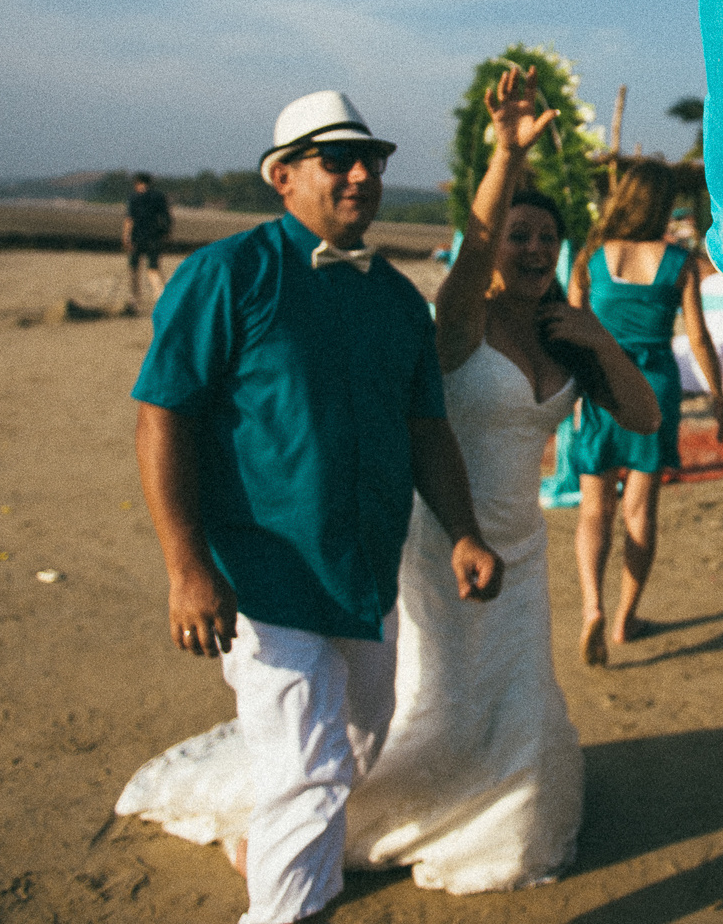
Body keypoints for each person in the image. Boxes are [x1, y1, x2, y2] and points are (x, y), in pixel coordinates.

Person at [126, 90, 503, 924]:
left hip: (365, 575)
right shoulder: (229, 274)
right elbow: (163, 415)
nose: (362, 174)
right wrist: (187, 568)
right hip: (262, 573)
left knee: (359, 739)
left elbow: (426, 428)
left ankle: (265, 847)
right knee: (309, 766)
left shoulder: (398, 300)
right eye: (339, 159)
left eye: (373, 159)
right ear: (283, 176)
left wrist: (465, 531)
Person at [339, 66, 660, 890]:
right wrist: (506, 154)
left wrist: (599, 339)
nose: (530, 249)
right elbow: (477, 242)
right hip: (443, 536)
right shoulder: (459, 318)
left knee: (515, 704)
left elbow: (646, 418)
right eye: (518, 235)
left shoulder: (564, 333)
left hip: (523, 547)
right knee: (435, 705)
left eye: (545, 241)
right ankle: (357, 813)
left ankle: (506, 816)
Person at [566, 159, 723, 666]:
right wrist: (717, 393)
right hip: (653, 388)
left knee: (594, 509)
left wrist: (571, 395)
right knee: (639, 510)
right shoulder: (679, 262)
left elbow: (568, 331)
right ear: (661, 205)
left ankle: (592, 605)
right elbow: (697, 336)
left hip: (598, 386)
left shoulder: (589, 256)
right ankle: (624, 619)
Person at [123, 172, 173, 308]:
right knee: (153, 268)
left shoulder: (134, 197)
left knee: (133, 268)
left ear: (137, 183)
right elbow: (166, 217)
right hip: (154, 237)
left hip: (137, 237)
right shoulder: (159, 196)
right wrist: (166, 233)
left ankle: (134, 300)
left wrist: (126, 237)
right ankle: (162, 298)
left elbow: (129, 219)